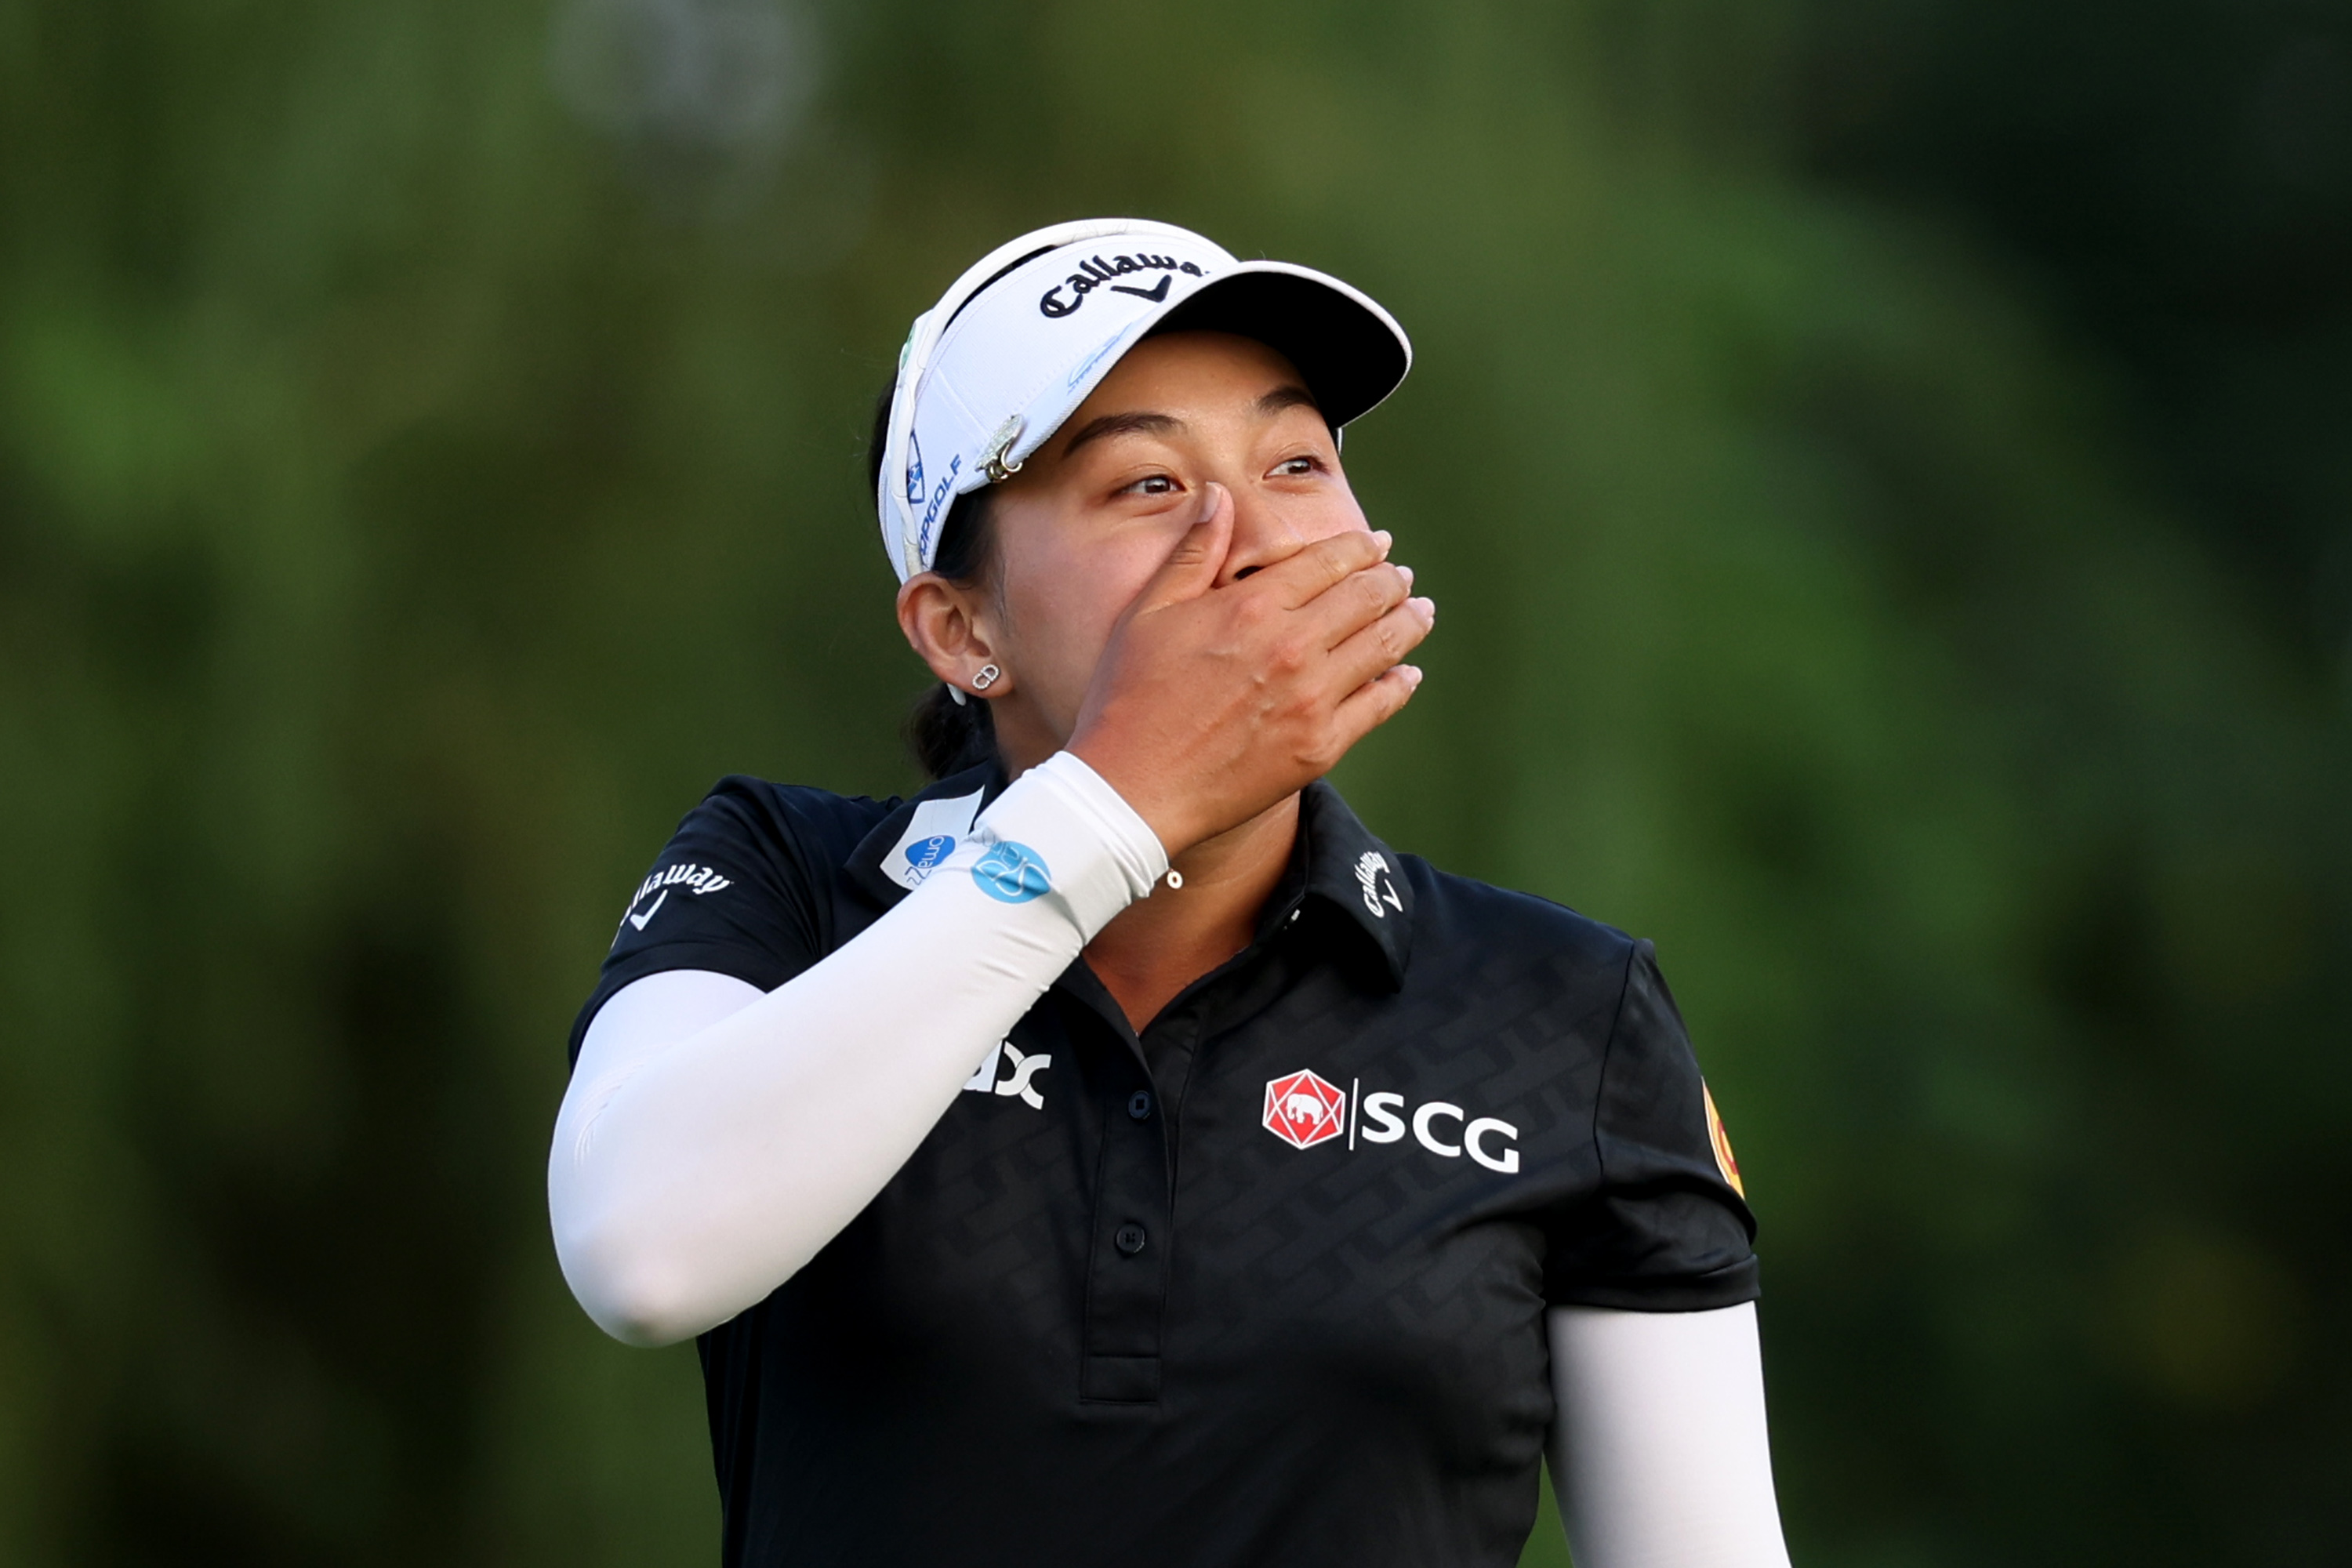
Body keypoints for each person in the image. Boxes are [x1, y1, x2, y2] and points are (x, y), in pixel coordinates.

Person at [548, 217, 1794, 1567]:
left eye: (1297, 462)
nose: (1247, 534)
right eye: (1146, 484)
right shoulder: (789, 879)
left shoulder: (1562, 1011)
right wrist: (1118, 806)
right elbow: (640, 1256)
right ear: (963, 629)